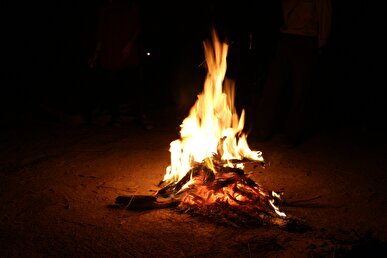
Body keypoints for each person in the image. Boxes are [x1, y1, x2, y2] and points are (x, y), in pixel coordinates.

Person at [255, 0, 332, 146]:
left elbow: (325, 11)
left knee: (300, 89)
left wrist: (322, 39)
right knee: (273, 86)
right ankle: (262, 130)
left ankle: (292, 135)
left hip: (306, 38)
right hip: (286, 36)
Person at [88, 0, 151, 128]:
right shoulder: (106, 7)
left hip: (126, 53)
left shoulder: (129, 5)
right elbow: (101, 32)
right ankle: (116, 118)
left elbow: (137, 27)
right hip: (110, 53)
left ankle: (140, 117)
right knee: (112, 86)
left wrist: (129, 45)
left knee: (133, 84)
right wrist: (96, 54)